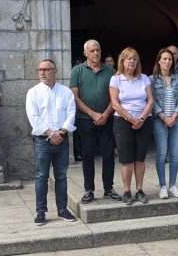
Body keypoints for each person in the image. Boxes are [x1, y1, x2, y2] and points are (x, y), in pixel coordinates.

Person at [26, 59, 77, 225]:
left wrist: (61, 133)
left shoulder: (65, 92)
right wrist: (50, 133)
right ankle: (41, 211)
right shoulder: (33, 92)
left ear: (55, 71)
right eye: (40, 69)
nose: (42, 72)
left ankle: (62, 209)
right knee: (41, 176)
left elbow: (71, 113)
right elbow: (34, 117)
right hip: (43, 140)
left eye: (46, 69)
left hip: (62, 139)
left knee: (61, 176)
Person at [70, 40, 120, 203]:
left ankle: (108, 188)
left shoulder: (110, 71)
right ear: (85, 53)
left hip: (107, 119)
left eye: (98, 50)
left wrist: (105, 115)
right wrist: (93, 114)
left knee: (108, 155)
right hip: (85, 120)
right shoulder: (77, 71)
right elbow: (75, 98)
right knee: (88, 155)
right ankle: (89, 189)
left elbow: (115, 97)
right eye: (92, 51)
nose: (96, 53)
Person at [110, 47, 154, 204]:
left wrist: (141, 119)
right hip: (123, 122)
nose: (132, 61)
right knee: (126, 159)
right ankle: (127, 191)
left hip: (144, 121)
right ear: (122, 61)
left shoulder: (144, 78)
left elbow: (150, 100)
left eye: (135, 59)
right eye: (129, 58)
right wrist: (131, 119)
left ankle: (140, 190)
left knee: (140, 158)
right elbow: (115, 103)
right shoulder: (116, 79)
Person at [149, 48, 178, 199]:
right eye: (164, 59)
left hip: (176, 121)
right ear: (159, 60)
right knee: (162, 153)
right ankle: (163, 186)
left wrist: (174, 116)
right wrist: (164, 117)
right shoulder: (152, 79)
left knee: (175, 154)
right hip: (160, 121)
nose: (167, 62)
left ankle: (173, 185)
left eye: (170, 59)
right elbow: (151, 101)